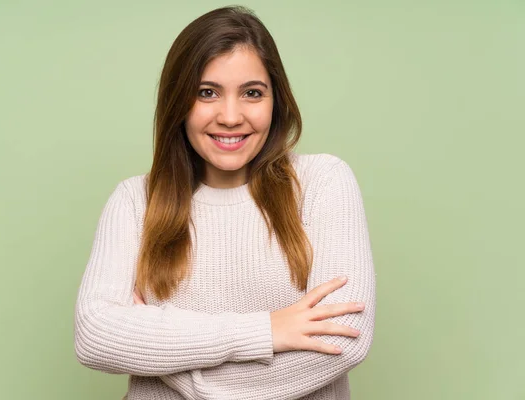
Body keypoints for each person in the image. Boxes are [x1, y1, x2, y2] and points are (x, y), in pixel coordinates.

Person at [74, 5, 376, 400]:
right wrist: (265, 331)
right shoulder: (135, 201)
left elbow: (343, 341)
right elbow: (95, 337)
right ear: (178, 102)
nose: (230, 116)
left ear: (276, 100)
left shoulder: (323, 183)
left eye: (252, 93)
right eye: (207, 93)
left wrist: (171, 365)